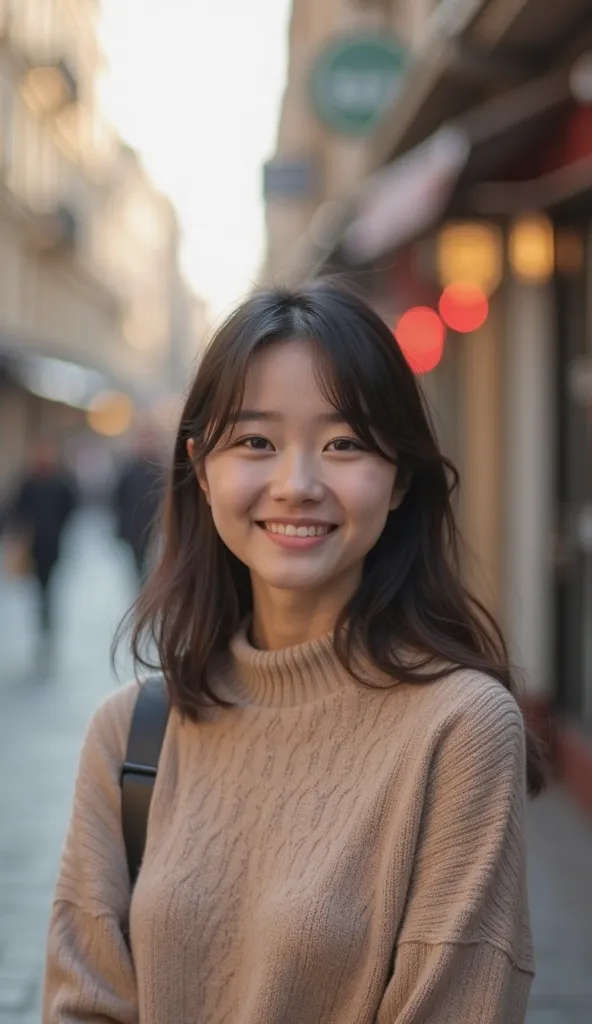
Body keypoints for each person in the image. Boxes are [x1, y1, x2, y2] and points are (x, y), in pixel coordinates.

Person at [43, 282, 545, 1023]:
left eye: (344, 444)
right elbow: (84, 1005)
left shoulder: (460, 731)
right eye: (255, 442)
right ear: (201, 466)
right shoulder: (131, 735)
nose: (297, 485)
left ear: (400, 478)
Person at [7, 437, 77, 660]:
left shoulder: (60, 482)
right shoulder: (27, 482)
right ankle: (43, 623)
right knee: (40, 589)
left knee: (49, 587)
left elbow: (71, 508)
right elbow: (13, 510)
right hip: (33, 546)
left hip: (53, 545)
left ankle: (47, 623)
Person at [111, 425, 165, 583]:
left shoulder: (161, 470)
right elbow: (118, 500)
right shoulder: (128, 471)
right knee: (138, 565)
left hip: (156, 528)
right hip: (134, 528)